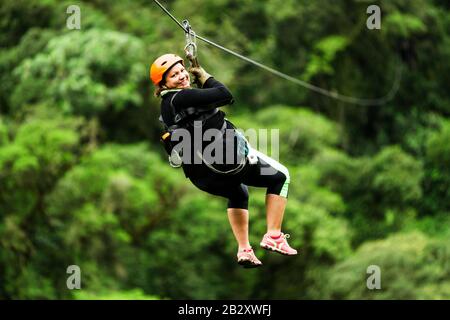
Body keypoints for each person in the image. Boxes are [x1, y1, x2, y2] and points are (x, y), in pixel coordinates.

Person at [150, 53, 297, 268]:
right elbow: (225, 94)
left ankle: (244, 249)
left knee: (238, 193)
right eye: (174, 75)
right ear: (164, 84)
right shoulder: (181, 97)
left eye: (182, 71)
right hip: (226, 163)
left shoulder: (167, 106)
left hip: (202, 176)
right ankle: (273, 235)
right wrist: (205, 77)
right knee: (281, 177)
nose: (182, 76)